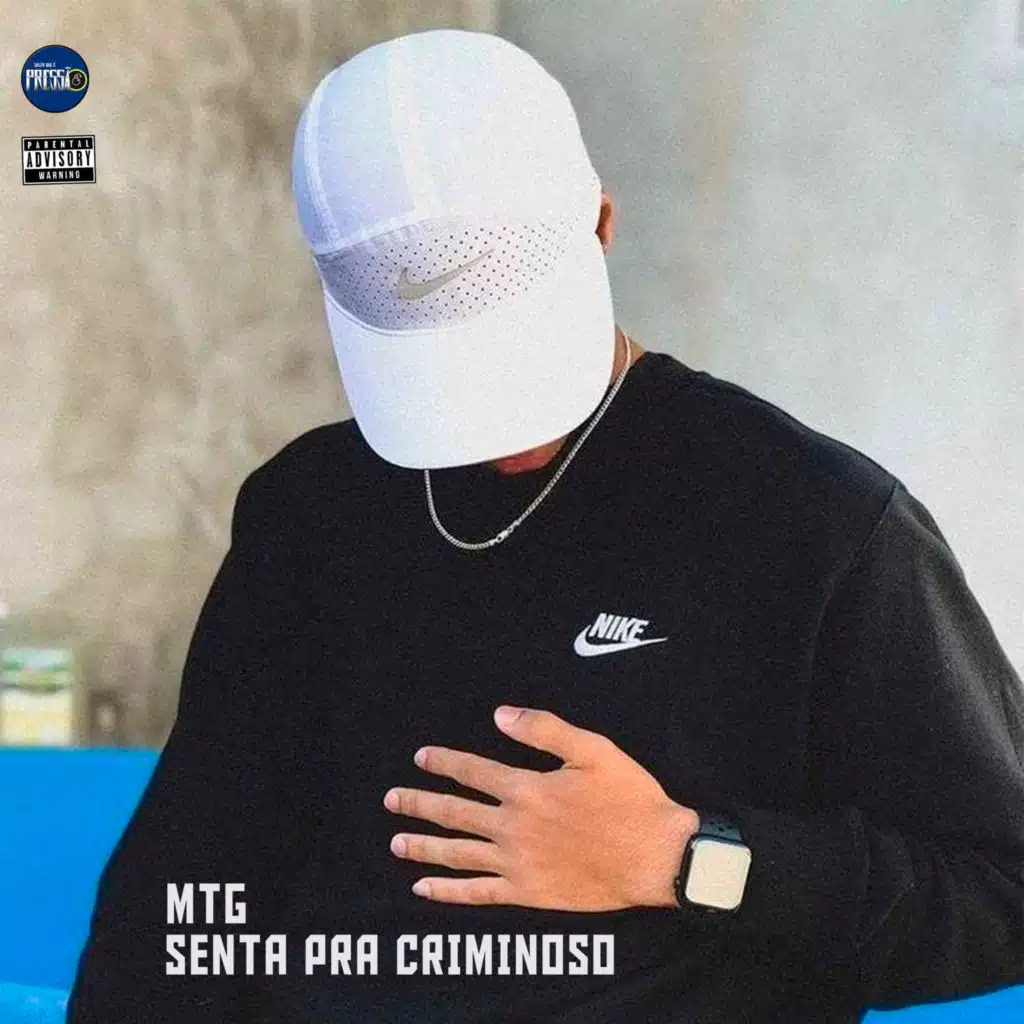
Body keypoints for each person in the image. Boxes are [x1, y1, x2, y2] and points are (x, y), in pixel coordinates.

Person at [67, 28, 1024, 1024]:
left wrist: (687, 858)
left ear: (601, 225)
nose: (484, 419)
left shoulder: (815, 523)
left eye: (507, 351)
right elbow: (189, 883)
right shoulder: (309, 510)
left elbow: (1003, 892)